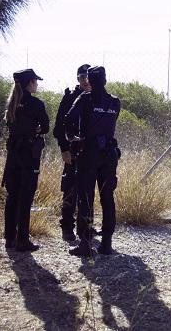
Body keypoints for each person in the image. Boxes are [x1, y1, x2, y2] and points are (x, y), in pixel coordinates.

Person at [65, 66, 121, 257]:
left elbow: (68, 119)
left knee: (86, 199)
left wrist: (73, 138)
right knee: (107, 198)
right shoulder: (115, 102)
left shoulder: (85, 98)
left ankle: (85, 244)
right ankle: (106, 243)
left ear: (89, 80)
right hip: (109, 155)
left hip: (89, 155)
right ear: (105, 80)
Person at [2, 68, 50, 252]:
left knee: (12, 195)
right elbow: (45, 127)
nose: (37, 84)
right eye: (35, 81)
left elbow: (11, 126)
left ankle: (9, 238)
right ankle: (23, 239)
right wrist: (35, 130)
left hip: (13, 154)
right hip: (29, 155)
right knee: (26, 196)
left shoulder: (12, 103)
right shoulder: (36, 104)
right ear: (29, 83)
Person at [53, 64, 91, 241]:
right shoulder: (70, 98)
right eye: (82, 76)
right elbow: (59, 127)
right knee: (70, 188)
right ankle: (67, 226)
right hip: (73, 151)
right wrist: (64, 149)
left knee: (88, 191)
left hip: (91, 152)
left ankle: (86, 227)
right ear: (77, 78)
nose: (85, 80)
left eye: (88, 76)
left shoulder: (96, 97)